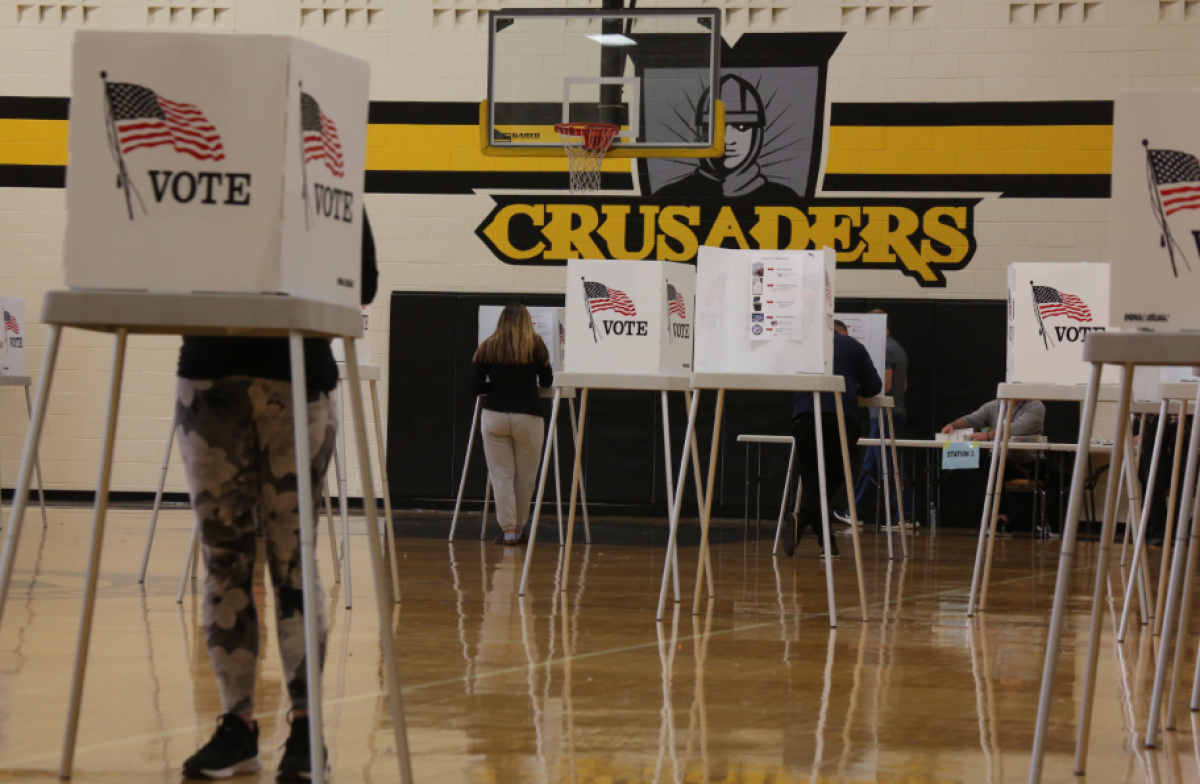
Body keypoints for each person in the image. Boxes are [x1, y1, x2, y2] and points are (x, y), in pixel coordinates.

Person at [176, 214, 377, 781]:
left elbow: (362, 282)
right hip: (210, 377)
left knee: (292, 561)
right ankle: (236, 725)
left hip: (298, 377)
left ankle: (306, 728)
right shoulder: (198, 166)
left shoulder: (320, 163)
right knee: (224, 562)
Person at [782, 326, 882, 558]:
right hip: (842, 416)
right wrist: (855, 385)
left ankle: (820, 534)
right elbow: (874, 386)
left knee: (811, 478)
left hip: (805, 416)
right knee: (838, 472)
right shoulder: (854, 346)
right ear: (843, 332)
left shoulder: (802, 344)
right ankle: (821, 535)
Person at [470, 303, 554, 545]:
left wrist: (497, 387)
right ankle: (519, 528)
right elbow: (547, 381)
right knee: (525, 477)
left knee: (502, 477)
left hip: (494, 415)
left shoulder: (487, 346)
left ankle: (508, 532)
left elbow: (475, 388)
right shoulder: (536, 344)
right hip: (528, 416)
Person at [844, 309, 910, 527]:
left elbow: (887, 384)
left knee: (888, 466)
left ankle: (904, 516)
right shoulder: (897, 348)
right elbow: (904, 385)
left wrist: (857, 389)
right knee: (871, 464)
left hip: (885, 416)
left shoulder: (886, 350)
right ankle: (856, 512)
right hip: (888, 414)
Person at [940, 398, 1047, 533]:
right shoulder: (994, 405)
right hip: (1003, 461)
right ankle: (1000, 519)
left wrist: (987, 434)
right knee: (991, 466)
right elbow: (971, 419)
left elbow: (1017, 428)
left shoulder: (1035, 406)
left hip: (1030, 460)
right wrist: (953, 426)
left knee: (1060, 476)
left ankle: (1054, 523)